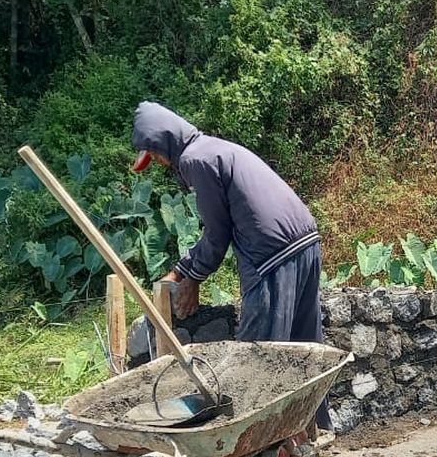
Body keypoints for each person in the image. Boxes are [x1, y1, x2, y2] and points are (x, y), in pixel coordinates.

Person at [131, 101, 332, 431]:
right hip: (304, 241)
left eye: (156, 156)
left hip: (270, 255)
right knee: (302, 348)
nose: (160, 164)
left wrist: (192, 278)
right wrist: (181, 270)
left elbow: (217, 233)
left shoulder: (196, 160)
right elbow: (220, 227)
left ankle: (256, 440)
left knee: (259, 354)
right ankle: (311, 429)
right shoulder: (215, 148)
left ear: (164, 142)